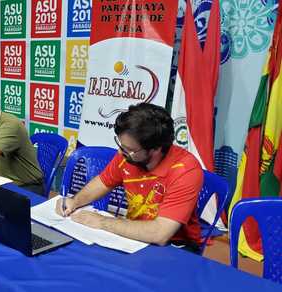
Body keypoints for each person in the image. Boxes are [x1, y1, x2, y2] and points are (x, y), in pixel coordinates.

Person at [56, 103, 203, 252]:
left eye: (129, 150)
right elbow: (103, 182)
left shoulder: (186, 171)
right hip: (134, 235)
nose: (120, 153)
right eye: (120, 145)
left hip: (174, 245)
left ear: (156, 149)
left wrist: (102, 222)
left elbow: (160, 233)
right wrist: (74, 202)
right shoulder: (127, 156)